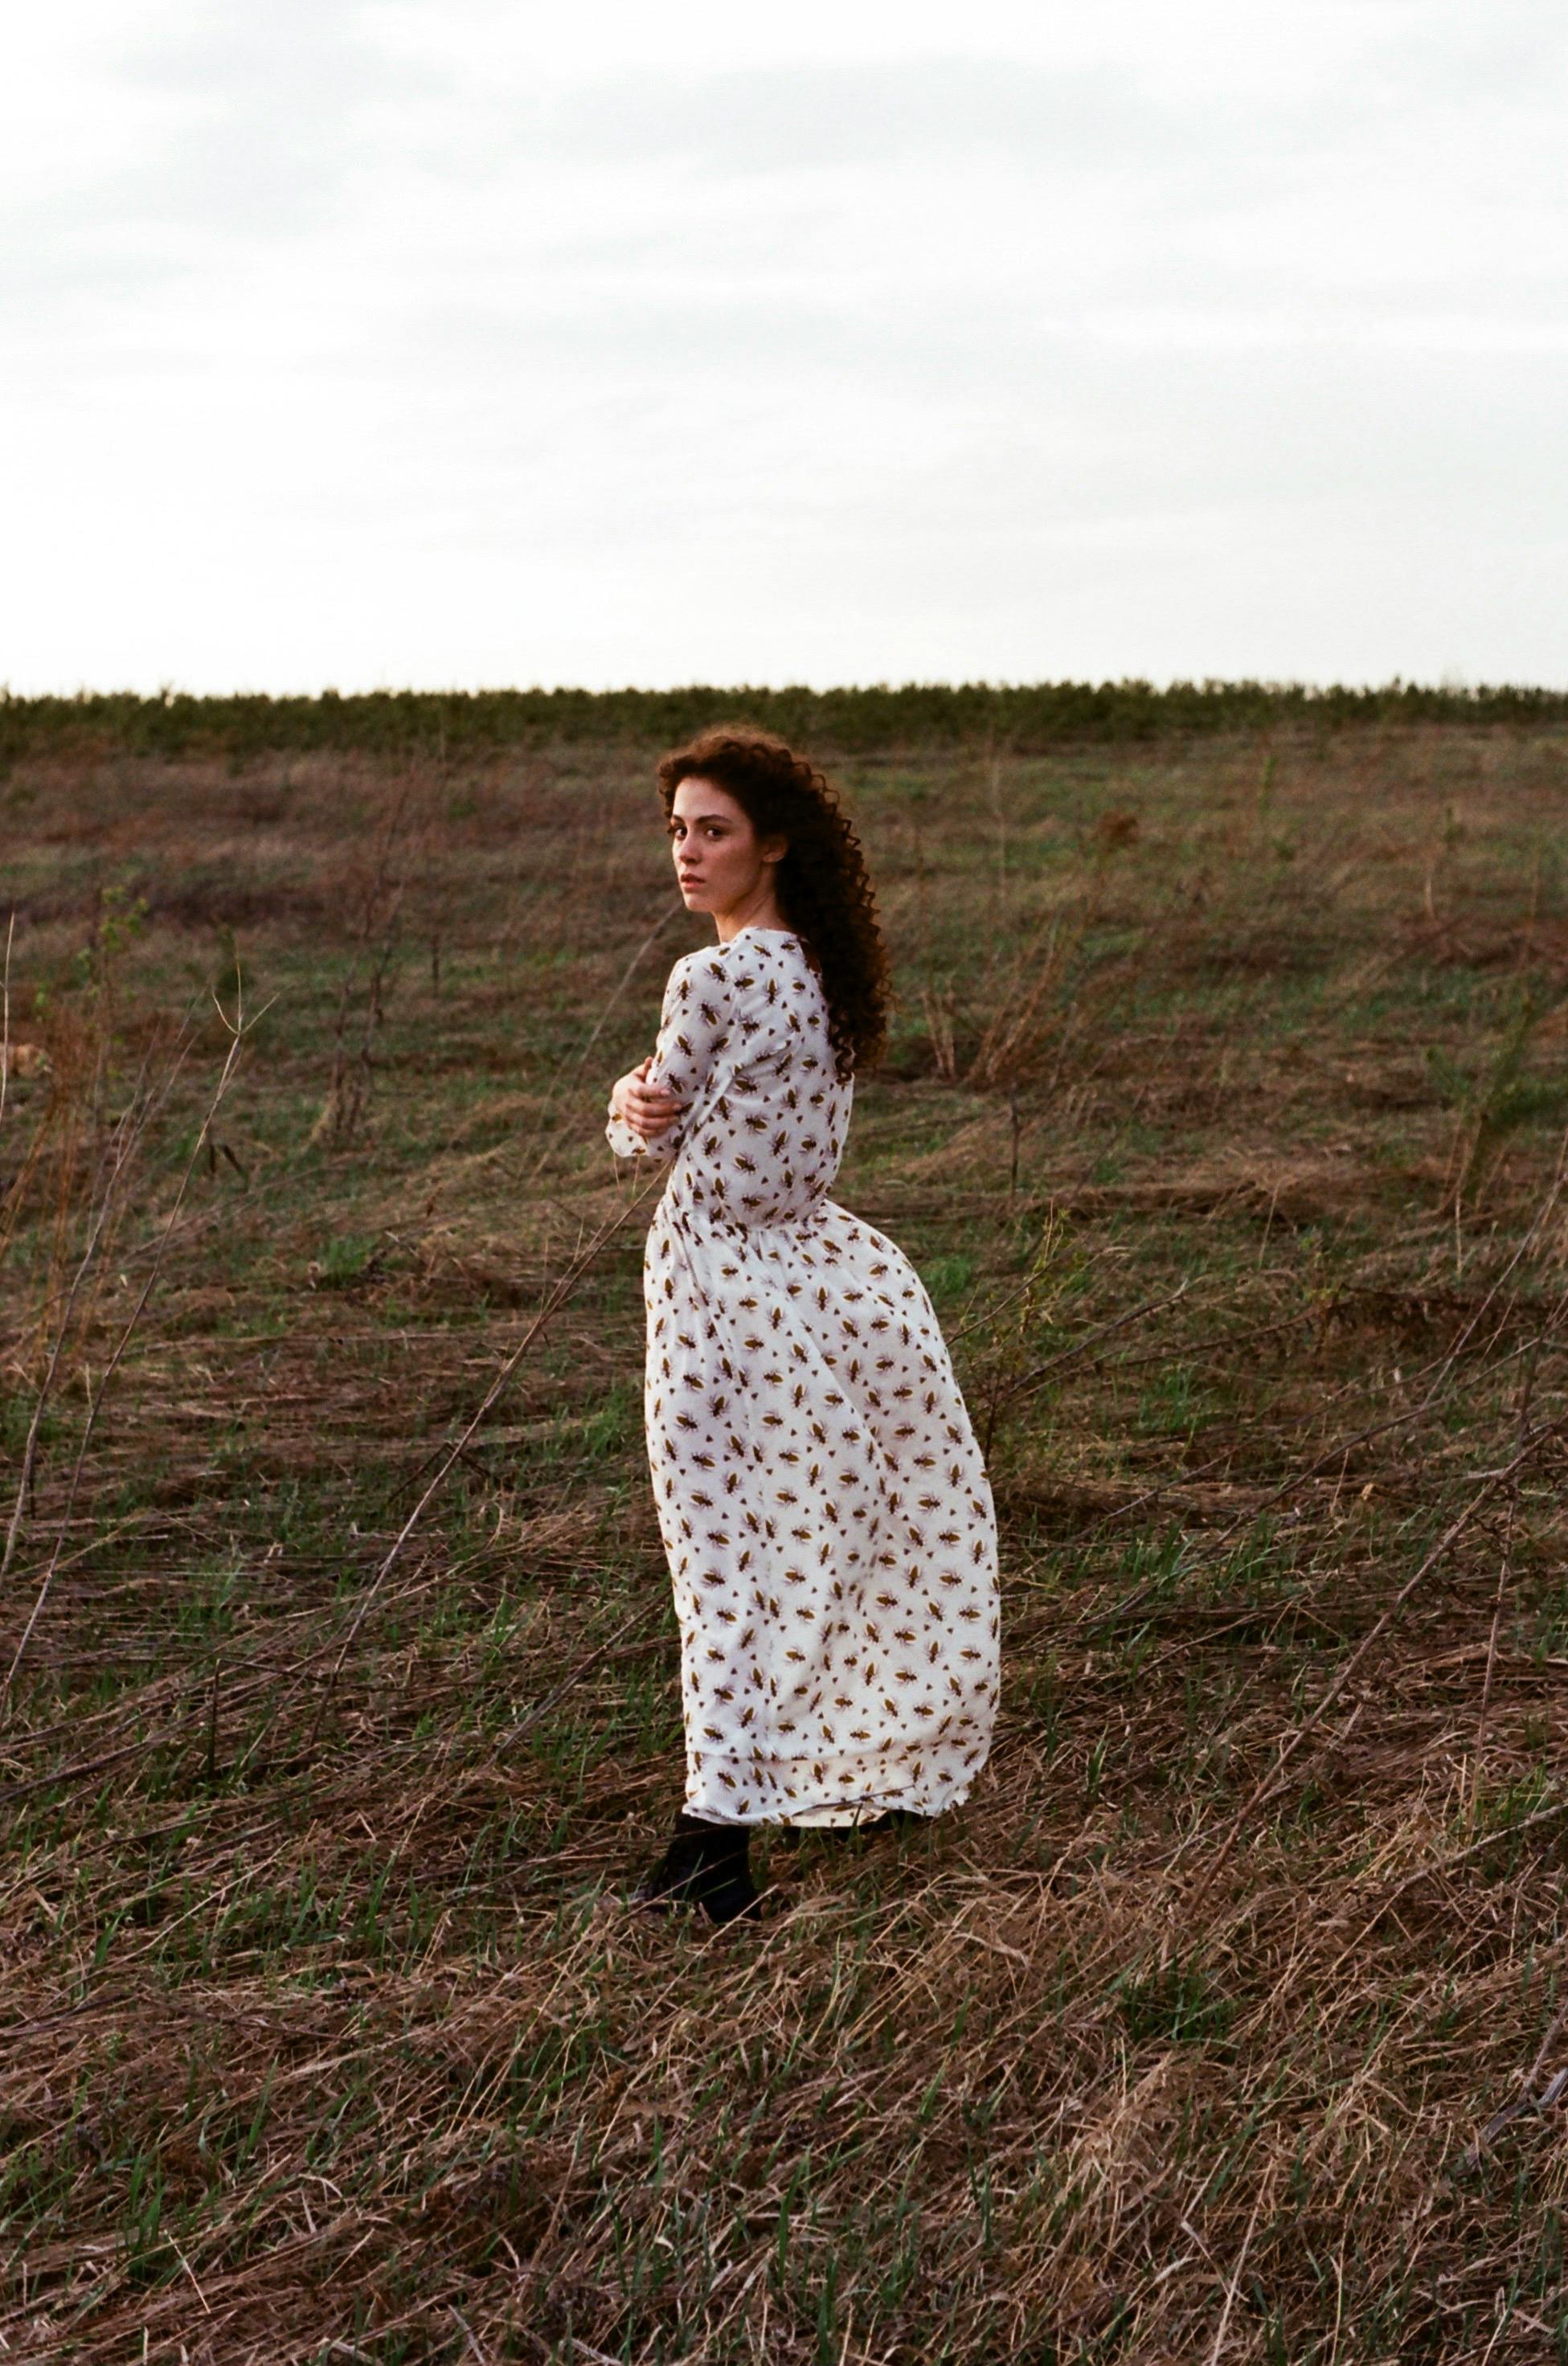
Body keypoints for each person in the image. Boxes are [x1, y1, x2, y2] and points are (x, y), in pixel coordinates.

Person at [606, 729, 999, 1924]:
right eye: (677, 827)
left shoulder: (709, 980)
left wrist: (624, 1109)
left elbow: (657, 1135)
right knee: (822, 1537)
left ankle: (712, 1844)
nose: (687, 850)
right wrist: (646, 1106)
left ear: (771, 842)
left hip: (721, 1285)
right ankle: (841, 1768)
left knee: (725, 1561)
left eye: (712, 829)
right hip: (821, 1272)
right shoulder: (820, 965)